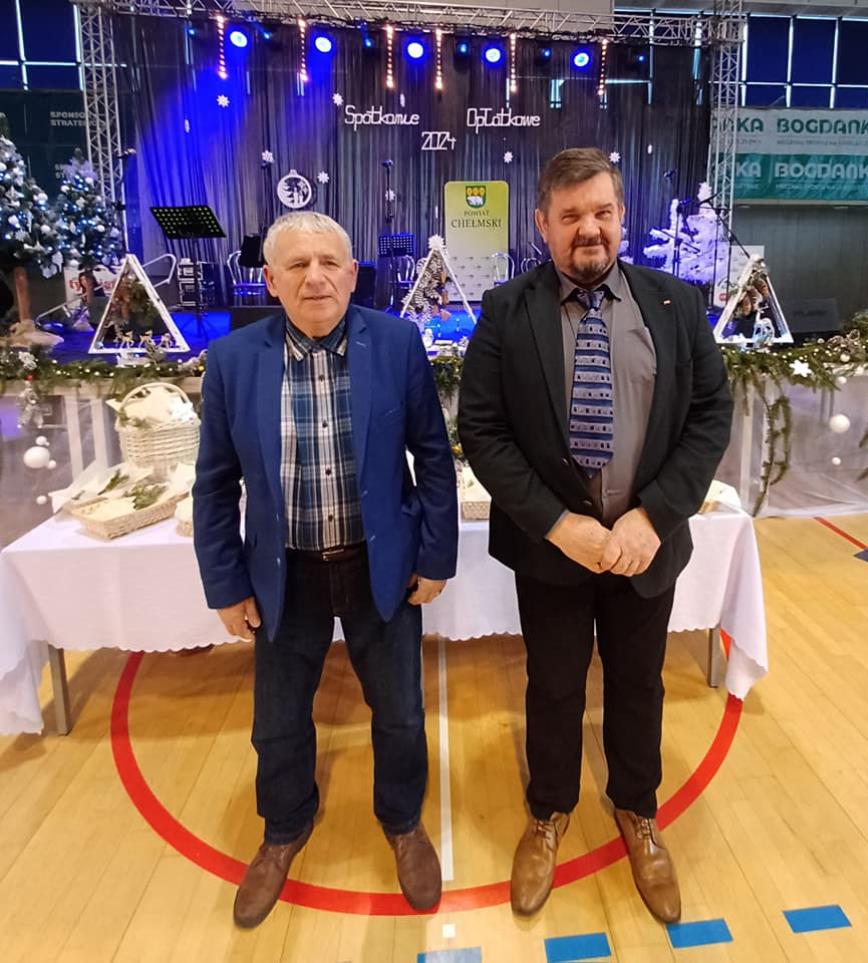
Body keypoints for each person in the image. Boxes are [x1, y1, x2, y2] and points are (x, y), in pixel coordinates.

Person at [458, 148, 733, 922]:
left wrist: (655, 515)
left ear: (622, 217)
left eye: (603, 212)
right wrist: (558, 523)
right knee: (552, 684)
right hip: (552, 552)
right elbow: (483, 431)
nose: (590, 228)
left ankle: (637, 808)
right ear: (542, 224)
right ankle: (548, 810)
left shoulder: (674, 304)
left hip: (646, 546)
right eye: (571, 214)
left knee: (640, 682)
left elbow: (711, 413)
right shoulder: (505, 311)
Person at [193, 211, 458, 928]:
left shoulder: (397, 344)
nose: (315, 277)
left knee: (400, 713)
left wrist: (435, 556)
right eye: (297, 264)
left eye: (329, 262)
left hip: (380, 566)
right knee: (278, 723)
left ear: (351, 273)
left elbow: (434, 458)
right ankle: (284, 826)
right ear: (271, 280)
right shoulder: (233, 361)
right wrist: (226, 584)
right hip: (286, 575)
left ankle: (402, 820)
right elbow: (213, 485)